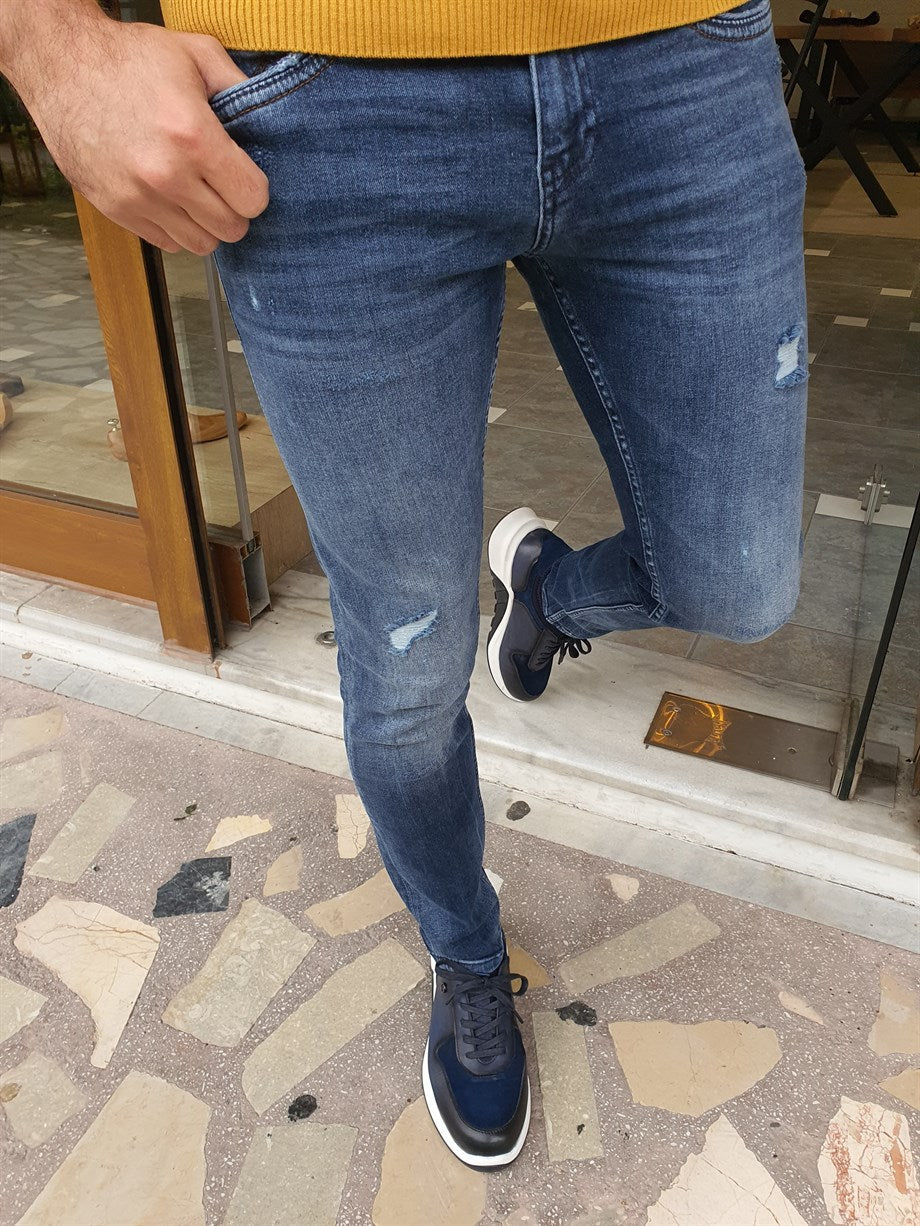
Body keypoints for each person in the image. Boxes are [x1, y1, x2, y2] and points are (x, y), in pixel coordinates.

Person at [0, 0, 807, 1168]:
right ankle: (466, 951)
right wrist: (45, 36)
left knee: (735, 585)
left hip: (681, 63)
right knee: (408, 665)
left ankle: (546, 595)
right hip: (327, 91)